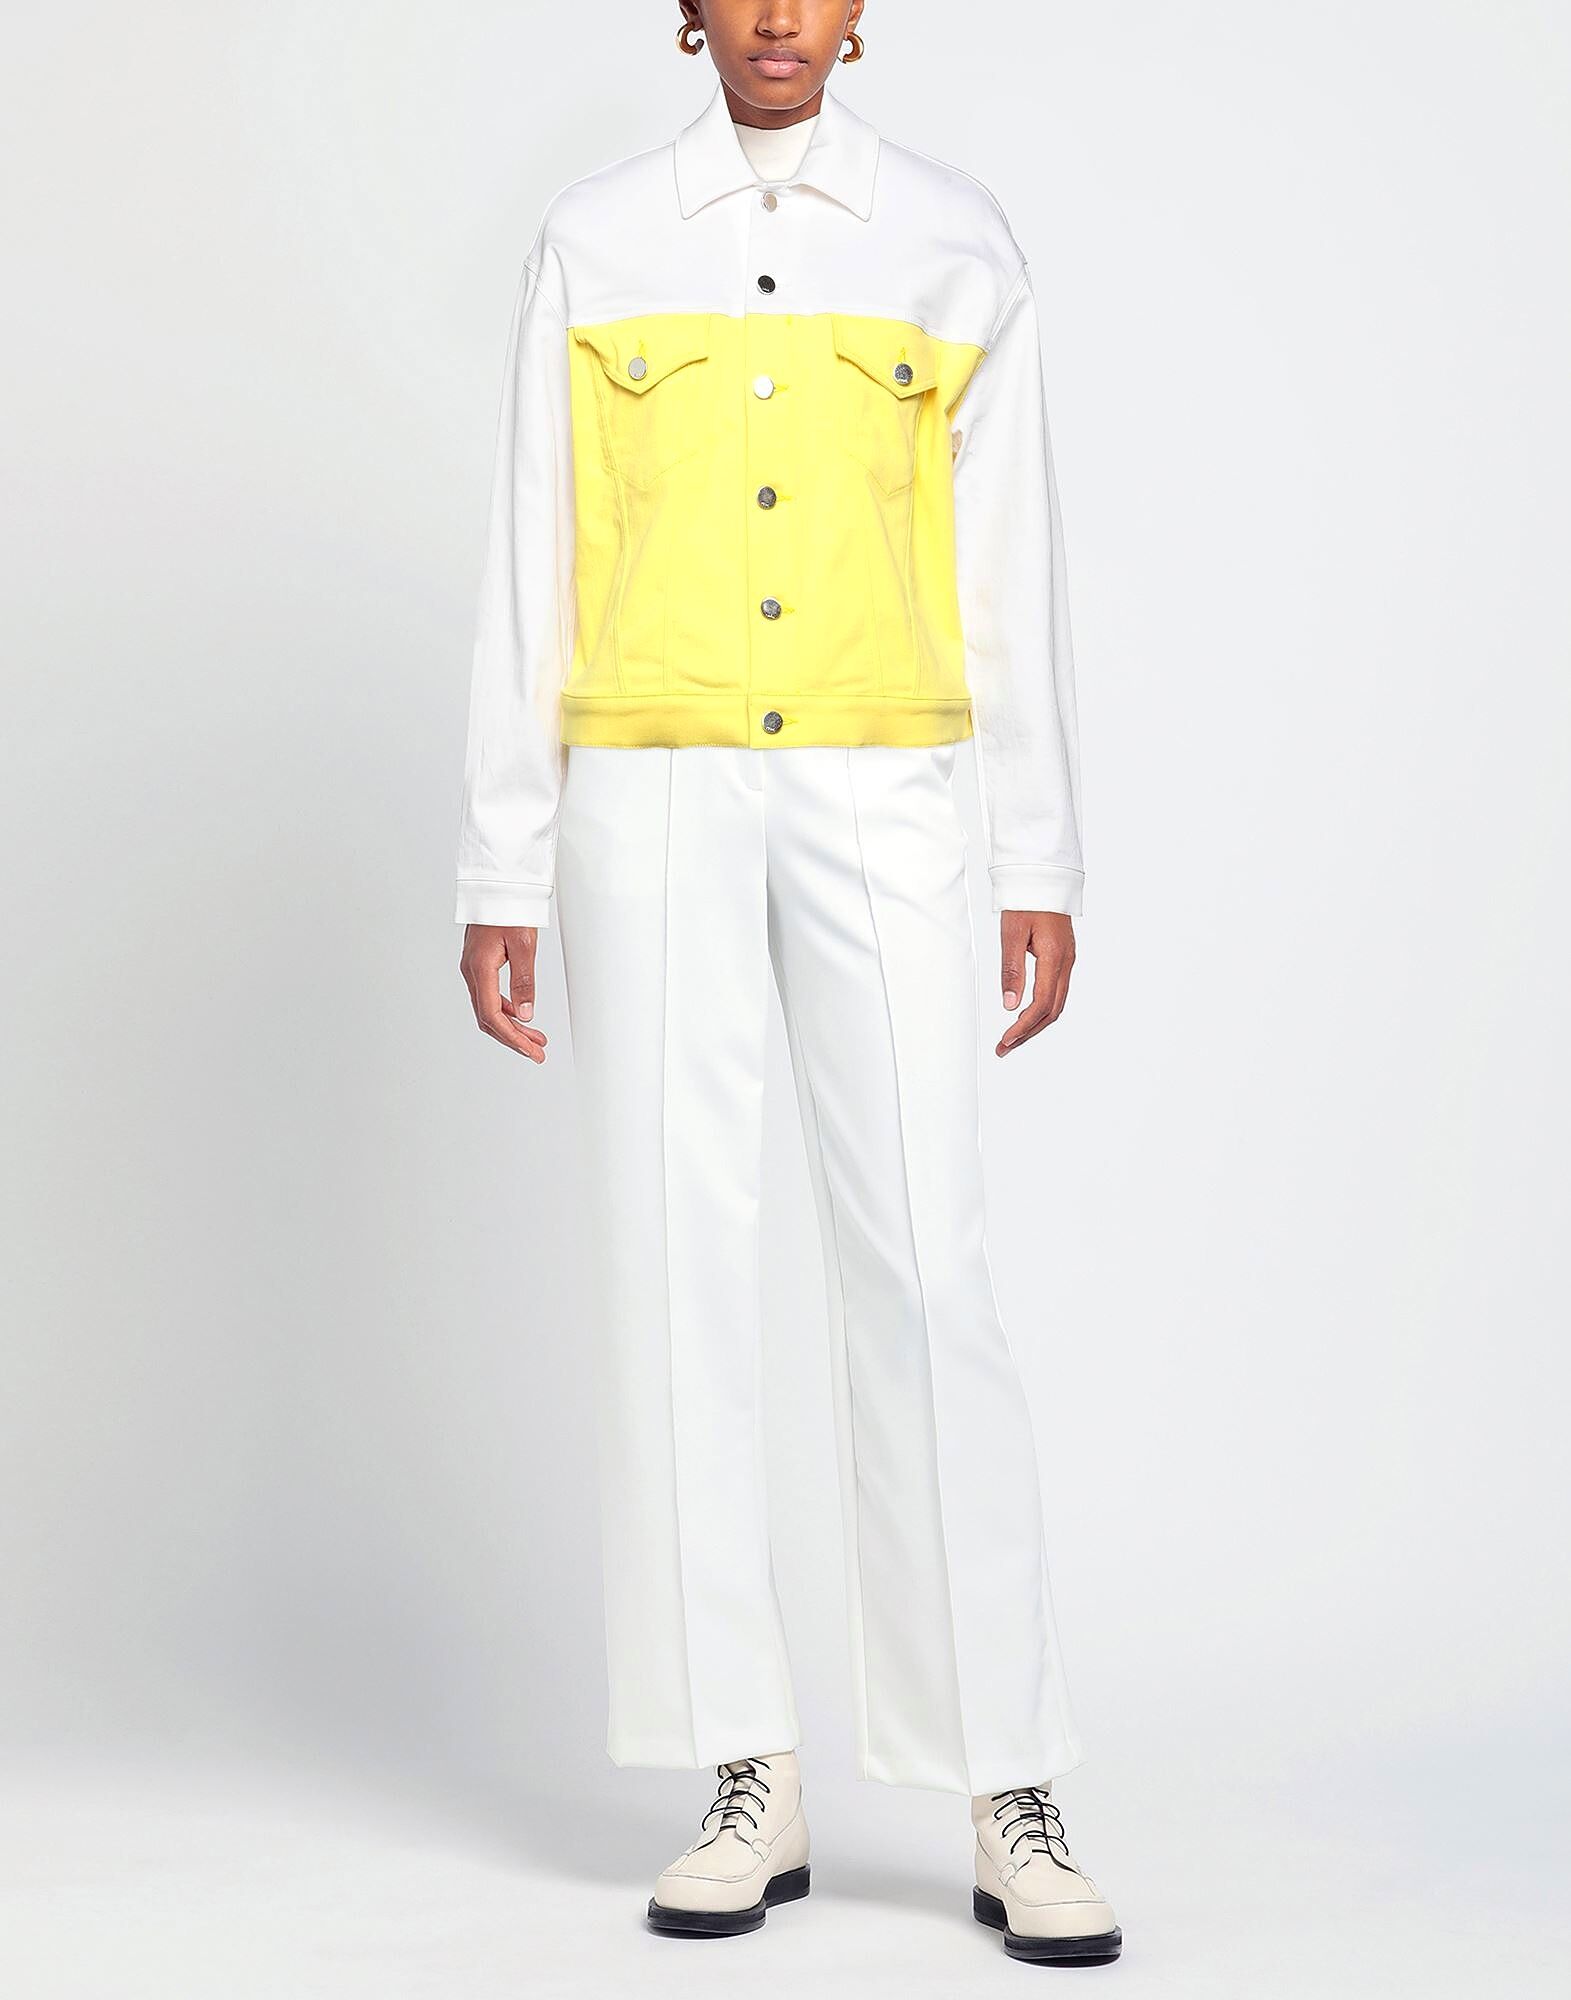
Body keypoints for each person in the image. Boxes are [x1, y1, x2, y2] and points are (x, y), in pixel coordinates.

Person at [454, 0, 1119, 1966]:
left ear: (858, 14)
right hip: (646, 787)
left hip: (881, 784)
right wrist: (502, 853)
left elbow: (1011, 567)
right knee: (674, 1259)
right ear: (686, 11)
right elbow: (529, 554)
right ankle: (745, 1765)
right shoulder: (595, 241)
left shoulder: (953, 239)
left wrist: (1037, 851)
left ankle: (1006, 1777)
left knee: (925, 1265)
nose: (772, 15)